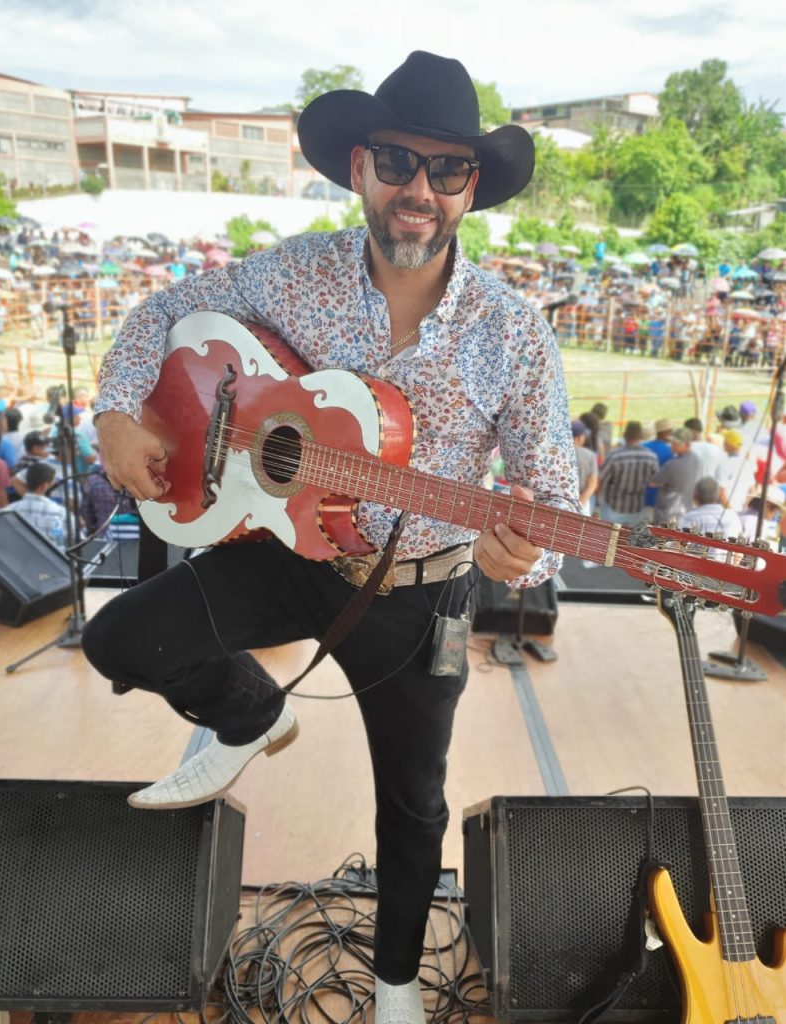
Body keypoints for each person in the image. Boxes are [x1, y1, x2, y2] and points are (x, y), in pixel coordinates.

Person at [80, 51, 578, 1024]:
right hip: (284, 550)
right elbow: (162, 311)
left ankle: (394, 985)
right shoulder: (294, 273)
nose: (419, 191)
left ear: (471, 186)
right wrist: (114, 412)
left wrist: (525, 551)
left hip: (421, 593)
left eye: (447, 170)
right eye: (397, 162)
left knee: (413, 805)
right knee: (120, 638)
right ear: (358, 166)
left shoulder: (512, 331)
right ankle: (250, 714)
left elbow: (550, 491)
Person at [597, 421, 659, 526]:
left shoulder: (615, 455)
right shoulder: (651, 457)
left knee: (608, 536)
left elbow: (602, 480)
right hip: (637, 508)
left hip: (614, 506)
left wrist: (599, 498)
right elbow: (654, 482)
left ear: (625, 436)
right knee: (631, 537)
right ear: (641, 437)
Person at [649, 426, 700, 525]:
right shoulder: (695, 458)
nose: (672, 445)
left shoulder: (672, 464)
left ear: (687, 445)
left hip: (667, 515)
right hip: (685, 511)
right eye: (672, 442)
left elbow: (653, 483)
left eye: (676, 443)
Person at [13, 461, 70, 546]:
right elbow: (59, 540)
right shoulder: (58, 511)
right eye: (53, 481)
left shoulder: (10, 510)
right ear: (44, 486)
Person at [679, 476, 742, 540]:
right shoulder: (733, 516)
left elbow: (680, 542)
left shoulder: (690, 518)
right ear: (718, 496)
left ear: (695, 496)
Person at [642, 417, 674, 514]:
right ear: (666, 433)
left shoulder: (643, 446)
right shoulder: (670, 451)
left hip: (640, 496)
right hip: (657, 498)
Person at [571, 420, 597, 514]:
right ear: (579, 438)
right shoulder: (590, 455)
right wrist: (579, 505)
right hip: (582, 502)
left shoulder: (556, 453)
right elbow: (592, 483)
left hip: (559, 503)